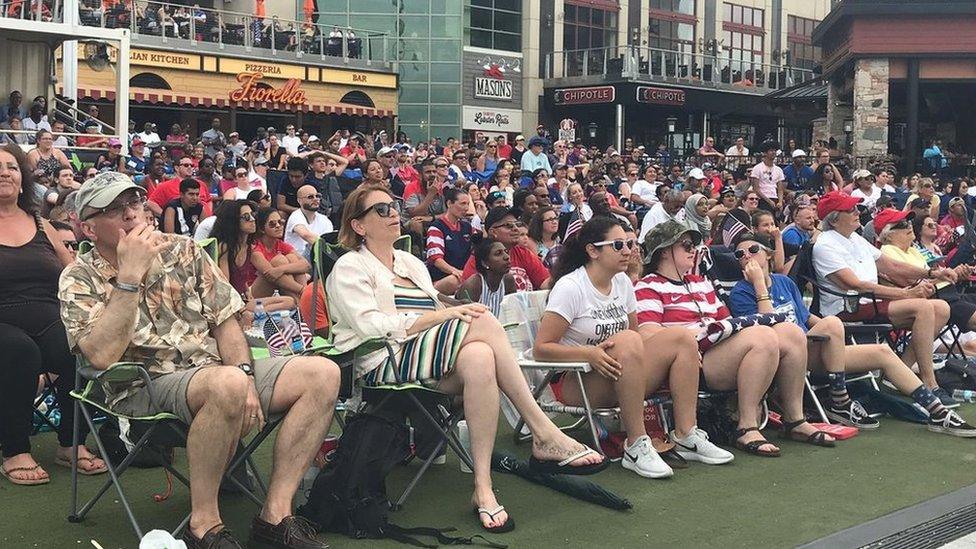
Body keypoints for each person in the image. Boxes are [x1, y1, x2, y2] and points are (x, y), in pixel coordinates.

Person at [60, 173, 338, 548]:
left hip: (216, 369)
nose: (130, 215)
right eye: (113, 210)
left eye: (133, 203)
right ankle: (203, 525)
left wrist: (243, 373)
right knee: (227, 383)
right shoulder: (78, 277)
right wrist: (129, 276)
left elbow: (225, 320)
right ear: (89, 228)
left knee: (323, 372)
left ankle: (274, 516)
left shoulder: (184, 250)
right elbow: (102, 357)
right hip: (142, 383)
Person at [326, 184, 604, 533]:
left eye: (394, 205)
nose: (394, 212)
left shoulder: (410, 262)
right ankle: (542, 430)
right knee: (483, 320)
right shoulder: (350, 267)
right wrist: (446, 317)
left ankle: (483, 488)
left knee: (479, 358)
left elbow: (435, 307)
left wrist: (452, 310)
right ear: (359, 225)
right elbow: (371, 327)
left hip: (428, 356)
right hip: (386, 358)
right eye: (381, 210)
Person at [535, 217, 733, 478]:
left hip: (617, 370)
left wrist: (675, 352)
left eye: (629, 243)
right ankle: (636, 443)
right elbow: (541, 349)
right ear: (593, 251)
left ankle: (686, 433)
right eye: (618, 245)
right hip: (577, 380)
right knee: (629, 340)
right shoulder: (571, 287)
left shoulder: (622, 283)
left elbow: (636, 334)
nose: (628, 251)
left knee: (682, 338)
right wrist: (589, 353)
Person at [729, 232, 975, 435]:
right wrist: (759, 285)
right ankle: (840, 400)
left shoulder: (785, 283)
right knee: (832, 323)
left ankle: (937, 411)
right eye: (740, 254)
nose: (746, 257)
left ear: (768, 255)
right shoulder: (741, 292)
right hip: (786, 355)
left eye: (753, 250)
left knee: (881, 351)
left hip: (815, 349)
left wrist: (835, 333)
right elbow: (767, 329)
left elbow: (808, 319)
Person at [636, 220, 835, 456]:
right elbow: (648, 334)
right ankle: (746, 425)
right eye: (686, 245)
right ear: (664, 252)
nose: (694, 250)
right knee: (763, 336)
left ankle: (794, 419)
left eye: (693, 245)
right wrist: (689, 340)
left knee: (790, 332)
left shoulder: (701, 283)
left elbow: (727, 322)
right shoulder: (648, 286)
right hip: (691, 363)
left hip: (717, 349)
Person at [0, 143, 103, 486]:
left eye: (12, 167)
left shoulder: (42, 225)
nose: (5, 173)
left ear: (22, 177)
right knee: (21, 351)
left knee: (82, 346)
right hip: (2, 321)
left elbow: (73, 272)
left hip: (48, 315)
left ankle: (71, 444)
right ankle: (15, 449)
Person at [813, 194, 958, 406]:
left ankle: (901, 371)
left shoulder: (855, 238)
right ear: (834, 219)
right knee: (925, 308)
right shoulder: (825, 245)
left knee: (942, 308)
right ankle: (928, 382)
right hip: (847, 306)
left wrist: (932, 273)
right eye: (850, 210)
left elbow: (892, 266)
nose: (857, 213)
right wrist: (906, 294)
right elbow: (854, 285)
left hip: (868, 302)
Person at [462, 207, 550, 292]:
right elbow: (469, 295)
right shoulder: (480, 257)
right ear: (493, 232)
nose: (516, 229)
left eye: (517, 224)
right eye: (508, 225)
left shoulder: (523, 253)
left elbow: (544, 283)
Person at [251, 208, 309, 302]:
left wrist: (281, 269)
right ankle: (303, 300)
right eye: (272, 224)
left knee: (292, 258)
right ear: (262, 229)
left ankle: (302, 301)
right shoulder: (255, 248)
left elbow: (306, 265)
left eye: (280, 222)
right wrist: (303, 290)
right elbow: (270, 275)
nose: (278, 226)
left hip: (277, 290)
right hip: (254, 292)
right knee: (280, 260)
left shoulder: (281, 244)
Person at [426, 187, 473, 295]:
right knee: (454, 280)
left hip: (464, 276)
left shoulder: (467, 226)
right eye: (462, 204)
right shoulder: (437, 227)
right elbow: (436, 260)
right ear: (449, 203)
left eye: (468, 204)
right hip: (442, 279)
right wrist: (454, 271)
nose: (466, 208)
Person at [455, 237, 516, 316]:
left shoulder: (508, 280)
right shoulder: (473, 284)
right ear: (484, 263)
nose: (507, 257)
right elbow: (464, 320)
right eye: (498, 253)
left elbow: (511, 314)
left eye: (506, 252)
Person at [284, 184, 334, 260]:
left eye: (317, 196)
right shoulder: (295, 216)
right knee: (311, 246)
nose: (315, 199)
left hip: (317, 258)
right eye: (310, 197)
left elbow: (329, 241)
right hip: (296, 260)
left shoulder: (325, 220)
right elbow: (305, 235)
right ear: (299, 201)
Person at [748, 140, 785, 212]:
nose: (773, 152)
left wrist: (780, 202)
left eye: (775, 150)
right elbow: (756, 188)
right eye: (771, 151)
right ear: (765, 153)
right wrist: (768, 201)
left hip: (774, 198)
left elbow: (780, 189)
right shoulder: (757, 168)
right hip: (762, 199)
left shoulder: (779, 170)